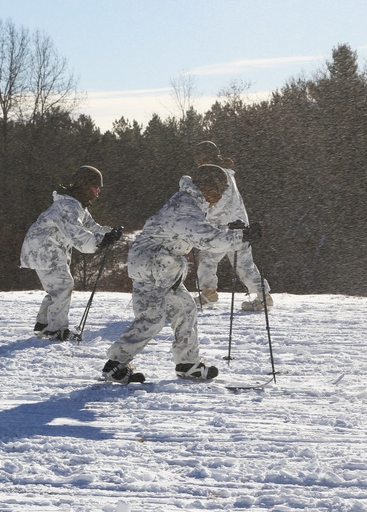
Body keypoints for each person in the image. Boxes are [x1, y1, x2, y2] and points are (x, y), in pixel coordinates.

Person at [101, 164, 261, 384]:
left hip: (161, 265)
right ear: (206, 186)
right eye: (218, 191)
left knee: (185, 308)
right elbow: (205, 238)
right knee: (152, 318)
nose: (219, 197)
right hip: (153, 264)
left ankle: (187, 363)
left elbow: (205, 228)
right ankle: (115, 365)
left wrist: (234, 231)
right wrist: (239, 238)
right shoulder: (185, 206)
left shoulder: (192, 202)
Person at [20, 165, 121, 342]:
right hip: (44, 248)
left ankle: (44, 325)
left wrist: (109, 234)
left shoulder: (77, 206)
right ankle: (56, 330)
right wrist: (100, 242)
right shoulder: (67, 206)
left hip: (48, 249)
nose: (97, 192)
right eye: (95, 187)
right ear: (84, 185)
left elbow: (92, 228)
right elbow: (79, 236)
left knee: (58, 287)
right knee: (63, 285)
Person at [192, 140, 272, 312]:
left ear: (205, 156)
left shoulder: (218, 174)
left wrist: (203, 213)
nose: (197, 160)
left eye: (199, 156)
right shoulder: (223, 172)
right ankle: (263, 296)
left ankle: (208, 292)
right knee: (242, 263)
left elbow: (220, 200)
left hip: (225, 226)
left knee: (208, 257)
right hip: (238, 225)